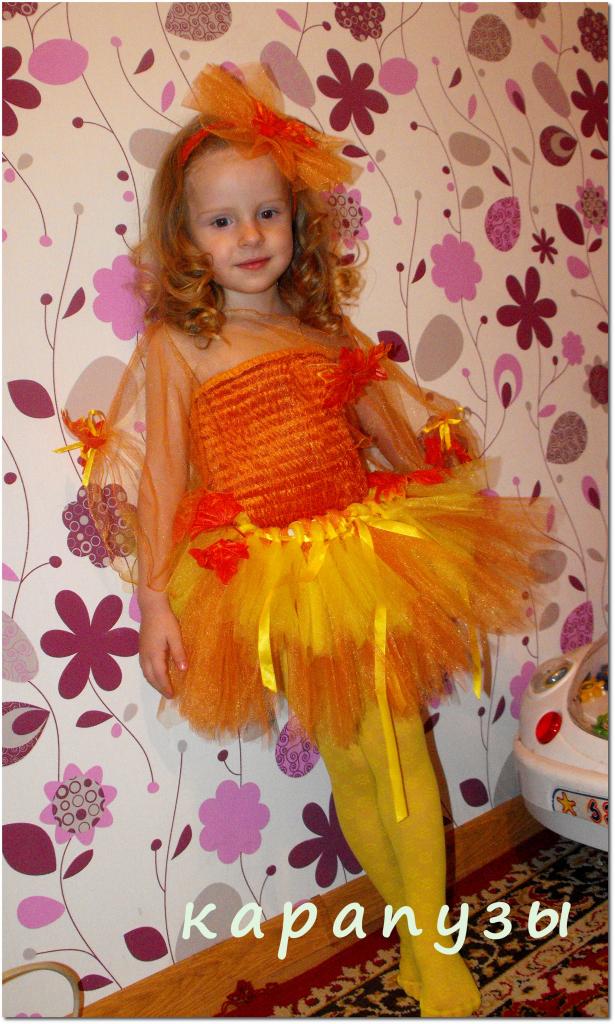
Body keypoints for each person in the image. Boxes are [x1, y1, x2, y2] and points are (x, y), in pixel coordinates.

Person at [56, 64, 555, 1017]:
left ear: (298, 223)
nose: (249, 237)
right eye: (221, 220)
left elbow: (391, 436)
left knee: (396, 746)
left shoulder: (325, 333)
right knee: (352, 759)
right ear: (186, 238)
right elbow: (163, 479)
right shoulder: (177, 345)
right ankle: (417, 936)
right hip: (268, 576)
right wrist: (153, 599)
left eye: (267, 214)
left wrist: (436, 466)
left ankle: (430, 951)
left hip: (361, 560)